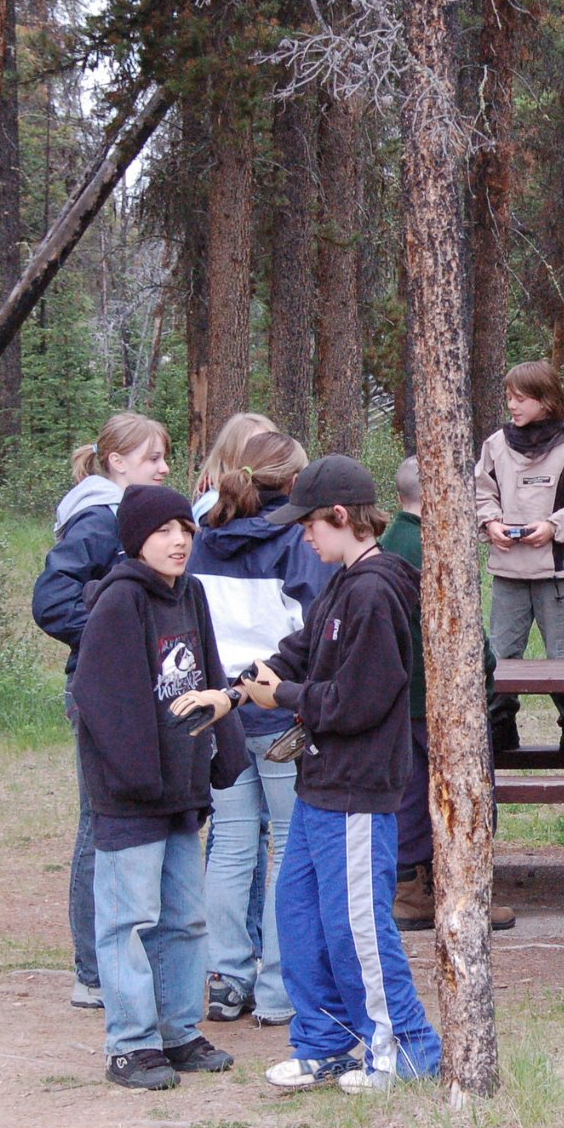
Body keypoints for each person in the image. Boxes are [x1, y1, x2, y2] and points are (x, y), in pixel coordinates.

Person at [239, 455, 443, 1094]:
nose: (304, 536)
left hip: (358, 788)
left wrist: (283, 697)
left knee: (357, 926)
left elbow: (360, 700)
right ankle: (326, 1042)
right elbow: (296, 654)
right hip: (320, 784)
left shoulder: (377, 591)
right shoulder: (341, 584)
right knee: (299, 913)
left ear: (340, 516)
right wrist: (235, 690)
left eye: (309, 524)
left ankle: (404, 1048)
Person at [73, 483, 246, 1089]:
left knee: (185, 918)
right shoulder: (120, 601)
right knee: (129, 920)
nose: (179, 541)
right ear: (135, 540)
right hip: (132, 795)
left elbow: (210, 674)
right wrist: (140, 778)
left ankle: (177, 1031)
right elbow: (102, 700)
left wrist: (224, 754)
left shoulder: (190, 593)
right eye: (163, 531)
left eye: (186, 530)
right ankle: (130, 1044)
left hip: (183, 787)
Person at [187, 431, 336, 1027]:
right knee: (286, 852)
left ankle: (226, 978)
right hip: (277, 711)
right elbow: (316, 631)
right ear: (295, 484)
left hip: (220, 710)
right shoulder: (297, 544)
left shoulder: (202, 540)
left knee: (230, 845)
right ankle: (278, 989)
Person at [32, 412, 173, 1011]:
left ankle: (132, 960)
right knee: (101, 824)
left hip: (142, 689)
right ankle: (93, 972)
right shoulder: (98, 518)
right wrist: (115, 637)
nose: (163, 468)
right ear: (116, 462)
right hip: (100, 691)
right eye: (151, 458)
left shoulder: (133, 518)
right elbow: (51, 601)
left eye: (165, 457)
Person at [377, 458, 517, 936]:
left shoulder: (391, 542)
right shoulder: (435, 545)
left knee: (413, 794)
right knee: (465, 795)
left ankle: (411, 889)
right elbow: (464, 628)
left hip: (406, 696)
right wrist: (486, 675)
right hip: (443, 699)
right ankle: (461, 894)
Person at [472, 360, 564, 752]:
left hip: (559, 574)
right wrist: (490, 523)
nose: (511, 405)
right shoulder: (496, 444)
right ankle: (499, 729)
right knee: (500, 656)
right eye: (509, 397)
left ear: (545, 400)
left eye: (520, 398)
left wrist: (553, 527)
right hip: (508, 572)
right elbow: (482, 492)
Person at [191, 412, 279, 521]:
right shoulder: (214, 504)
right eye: (255, 449)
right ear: (230, 454)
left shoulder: (268, 501)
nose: (266, 456)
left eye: (272, 448)